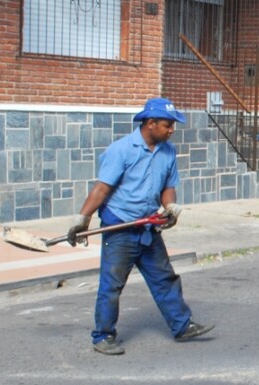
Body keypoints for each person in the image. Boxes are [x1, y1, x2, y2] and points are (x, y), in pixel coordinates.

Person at [67, 98, 214, 355]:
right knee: (112, 285)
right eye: (168, 125)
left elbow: (168, 187)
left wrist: (170, 207)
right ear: (150, 123)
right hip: (120, 226)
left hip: (147, 225)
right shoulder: (121, 150)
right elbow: (102, 189)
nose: (172, 130)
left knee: (164, 278)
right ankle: (103, 336)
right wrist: (83, 219)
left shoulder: (168, 151)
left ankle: (182, 325)